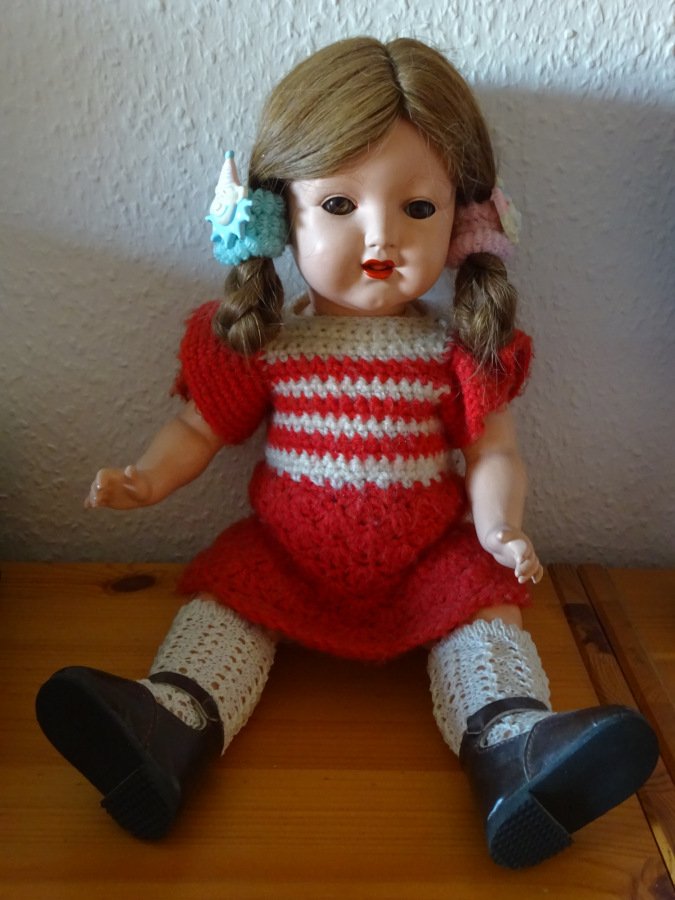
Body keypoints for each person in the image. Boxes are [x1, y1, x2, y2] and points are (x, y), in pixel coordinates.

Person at [36, 37, 658, 868]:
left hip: (427, 561)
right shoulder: (265, 344)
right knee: (223, 606)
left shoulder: (455, 352)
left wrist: (498, 528)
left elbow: (493, 453)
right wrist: (146, 479)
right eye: (338, 204)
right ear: (276, 213)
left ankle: (514, 749)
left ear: (464, 221)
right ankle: (167, 724)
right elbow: (199, 427)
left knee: (483, 611)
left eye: (418, 208)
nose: (380, 237)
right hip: (284, 557)